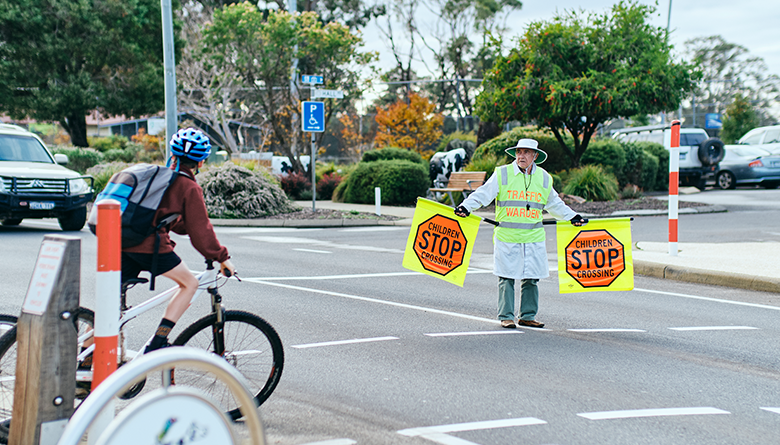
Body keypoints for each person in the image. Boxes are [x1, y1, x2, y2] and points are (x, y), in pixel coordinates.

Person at [121, 127, 235, 353]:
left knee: (110, 309)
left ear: (172, 154)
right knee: (190, 284)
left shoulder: (159, 178)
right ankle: (157, 343)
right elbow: (201, 235)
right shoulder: (188, 186)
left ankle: (86, 357)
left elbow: (170, 220)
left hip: (121, 241)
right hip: (149, 246)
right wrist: (222, 257)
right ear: (201, 162)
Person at [454, 138, 587, 329]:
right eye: (518, 152)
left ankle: (527, 316)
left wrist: (572, 216)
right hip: (507, 236)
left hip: (533, 237)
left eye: (526, 152)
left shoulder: (543, 177)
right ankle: (506, 316)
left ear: (535, 156)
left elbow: (555, 203)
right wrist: (466, 206)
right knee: (506, 276)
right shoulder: (503, 173)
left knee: (532, 277)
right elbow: (484, 193)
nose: (521, 156)